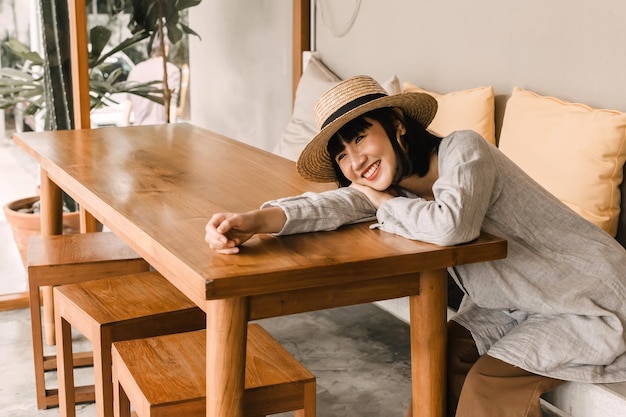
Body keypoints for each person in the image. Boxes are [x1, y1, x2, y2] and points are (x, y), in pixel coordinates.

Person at [204, 75, 626, 417]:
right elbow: (331, 205)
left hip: (588, 299)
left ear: (398, 124)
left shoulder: (465, 151)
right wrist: (254, 221)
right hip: (517, 302)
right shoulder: (395, 189)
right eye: (342, 154)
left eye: (359, 138)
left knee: (488, 384)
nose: (355, 160)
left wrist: (377, 199)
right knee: (439, 353)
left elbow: (450, 226)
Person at [124, 43, 181, 125]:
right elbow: (171, 103)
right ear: (166, 49)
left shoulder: (136, 70)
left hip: (139, 129)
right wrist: (172, 130)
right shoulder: (171, 70)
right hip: (161, 131)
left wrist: (126, 126)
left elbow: (128, 103)